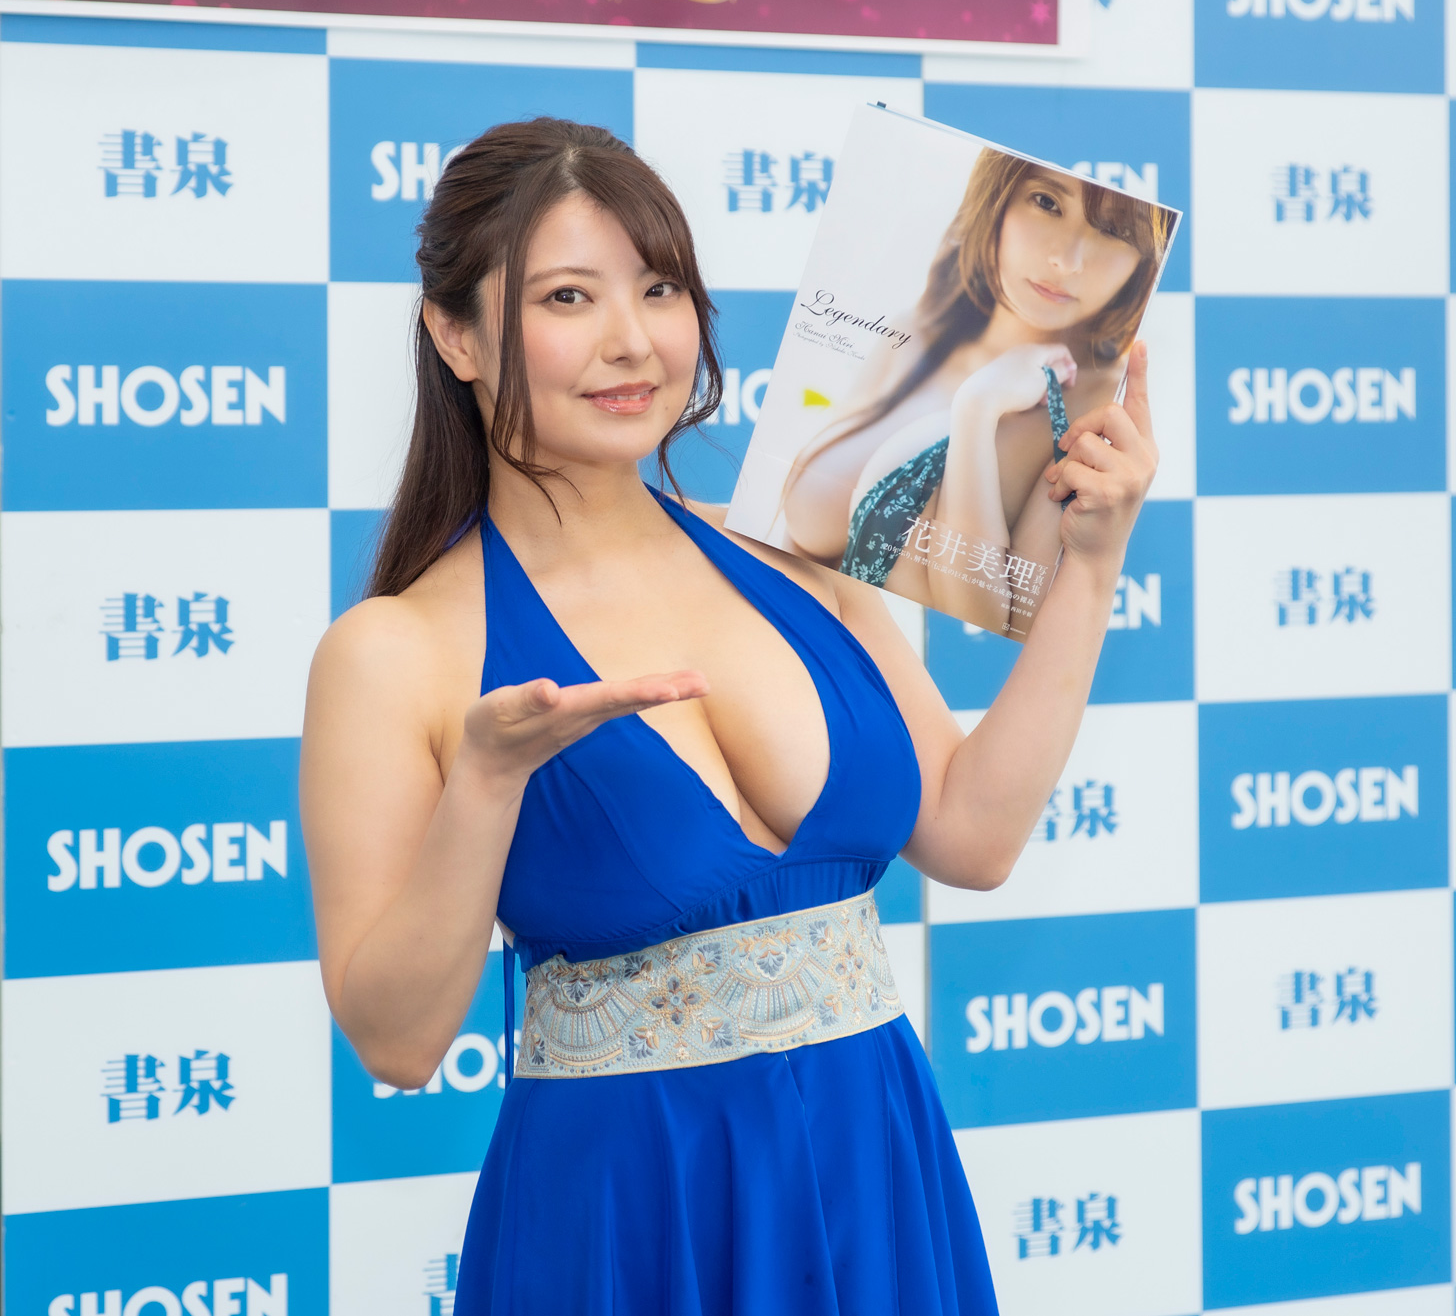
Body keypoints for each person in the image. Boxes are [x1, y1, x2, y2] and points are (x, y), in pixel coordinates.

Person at [300, 118, 1158, 1315]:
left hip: (871, 1169)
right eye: (566, 296)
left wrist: (1090, 566)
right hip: (626, 1215)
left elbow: (972, 834)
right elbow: (396, 1041)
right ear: (455, 334)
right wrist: (485, 786)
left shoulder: (794, 550)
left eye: (658, 288)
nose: (631, 339)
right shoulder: (395, 650)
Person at [782, 149, 1170, 635]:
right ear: (998, 197)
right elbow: (791, 537)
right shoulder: (916, 332)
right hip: (786, 639)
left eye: (1114, 230)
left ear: (1143, 262)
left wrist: (977, 410)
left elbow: (1000, 625)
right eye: (1047, 202)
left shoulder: (1090, 413)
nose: (1065, 260)